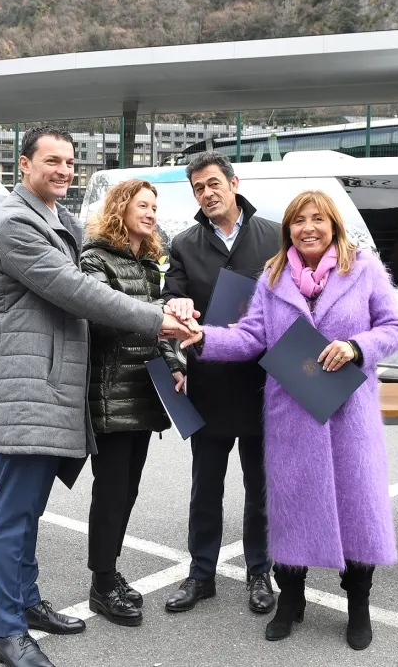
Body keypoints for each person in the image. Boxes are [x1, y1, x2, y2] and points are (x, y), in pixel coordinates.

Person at [0, 126, 197, 667]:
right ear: (23, 166)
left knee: (28, 512)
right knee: (13, 514)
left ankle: (26, 604)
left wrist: (168, 311)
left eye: (70, 162)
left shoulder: (59, 224)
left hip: (48, 387)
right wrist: (160, 322)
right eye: (51, 161)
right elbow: (78, 291)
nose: (64, 170)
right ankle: (6, 633)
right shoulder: (15, 225)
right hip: (27, 386)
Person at [182, 190, 398, 649]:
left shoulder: (363, 269)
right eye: (299, 221)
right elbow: (251, 336)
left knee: (357, 509)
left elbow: (394, 328)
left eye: (317, 219)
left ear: (333, 225)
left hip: (350, 414)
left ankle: (358, 605)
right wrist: (203, 337)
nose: (308, 228)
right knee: (291, 510)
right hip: (291, 415)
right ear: (287, 230)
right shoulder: (274, 275)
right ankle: (291, 600)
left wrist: (356, 347)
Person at [160, 151, 280, 615]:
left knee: (260, 487)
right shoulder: (185, 244)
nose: (206, 194)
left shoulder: (274, 236)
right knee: (205, 486)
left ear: (233, 183)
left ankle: (259, 574)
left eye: (213, 184)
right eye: (197, 188)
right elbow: (173, 294)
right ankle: (201, 574)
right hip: (207, 382)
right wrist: (179, 306)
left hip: (263, 383)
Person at [79, 179, 186, 627]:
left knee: (129, 490)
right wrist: (159, 325)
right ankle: (102, 583)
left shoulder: (147, 262)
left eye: (154, 206)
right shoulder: (94, 258)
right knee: (111, 491)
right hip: (110, 393)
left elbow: (158, 322)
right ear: (120, 208)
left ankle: (109, 571)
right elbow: (104, 320)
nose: (151, 212)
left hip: (144, 391)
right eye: (143, 205)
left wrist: (176, 363)